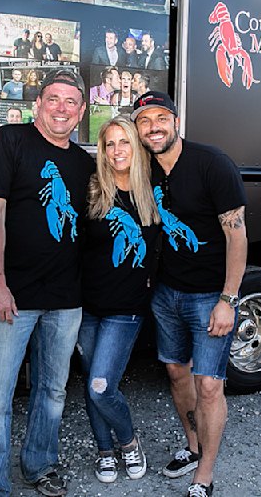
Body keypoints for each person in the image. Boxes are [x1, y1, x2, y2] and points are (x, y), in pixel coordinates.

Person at [0, 69, 92, 497]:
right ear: (39, 103)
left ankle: (39, 466)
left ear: (81, 112)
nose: (62, 108)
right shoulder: (10, 141)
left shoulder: (84, 164)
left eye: (71, 102)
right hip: (13, 296)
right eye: (53, 99)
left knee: (53, 392)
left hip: (65, 297)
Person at [132, 91, 247, 497]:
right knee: (177, 372)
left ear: (176, 120)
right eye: (145, 121)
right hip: (165, 293)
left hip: (208, 296)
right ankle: (193, 445)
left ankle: (206, 473)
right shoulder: (142, 167)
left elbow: (237, 235)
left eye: (161, 117)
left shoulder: (211, 163)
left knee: (210, 384)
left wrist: (228, 299)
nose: (154, 127)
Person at [78, 115, 159, 485]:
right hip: (87, 306)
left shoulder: (152, 192)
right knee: (92, 383)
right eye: (109, 144)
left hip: (126, 309)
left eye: (123, 142)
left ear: (136, 146)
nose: (116, 151)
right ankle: (104, 451)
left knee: (100, 385)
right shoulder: (93, 189)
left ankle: (128, 443)